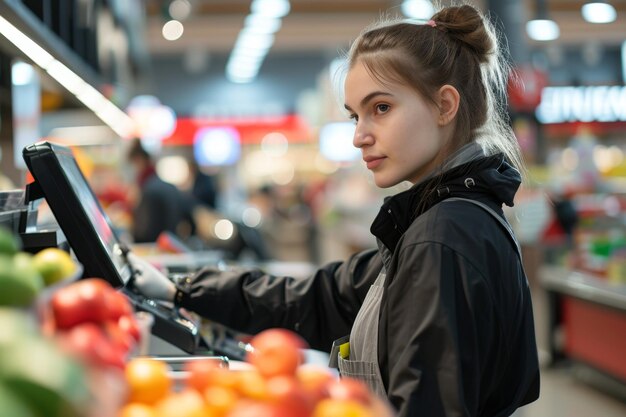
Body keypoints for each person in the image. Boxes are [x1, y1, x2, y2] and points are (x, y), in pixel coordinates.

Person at [131, 5, 540, 416]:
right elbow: (321, 298)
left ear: (444, 106)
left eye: (381, 108)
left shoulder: (444, 235)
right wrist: (180, 289)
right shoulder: (441, 220)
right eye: (355, 116)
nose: (359, 136)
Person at [126, 138, 190, 243]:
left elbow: (144, 230)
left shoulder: (149, 189)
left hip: (153, 247)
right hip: (170, 243)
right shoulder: (166, 186)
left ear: (139, 160)